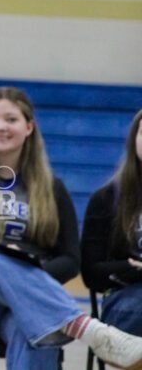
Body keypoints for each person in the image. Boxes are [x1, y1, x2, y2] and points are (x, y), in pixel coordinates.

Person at [0, 87, 142, 370]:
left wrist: (23, 272)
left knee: (40, 330)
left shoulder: (52, 188)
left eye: (11, 119)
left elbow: (70, 261)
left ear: (29, 127)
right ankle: (89, 330)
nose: (0, 127)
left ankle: (69, 322)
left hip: (24, 306)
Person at [82, 109, 142, 336]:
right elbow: (91, 273)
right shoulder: (106, 198)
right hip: (127, 298)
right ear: (133, 140)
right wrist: (132, 270)